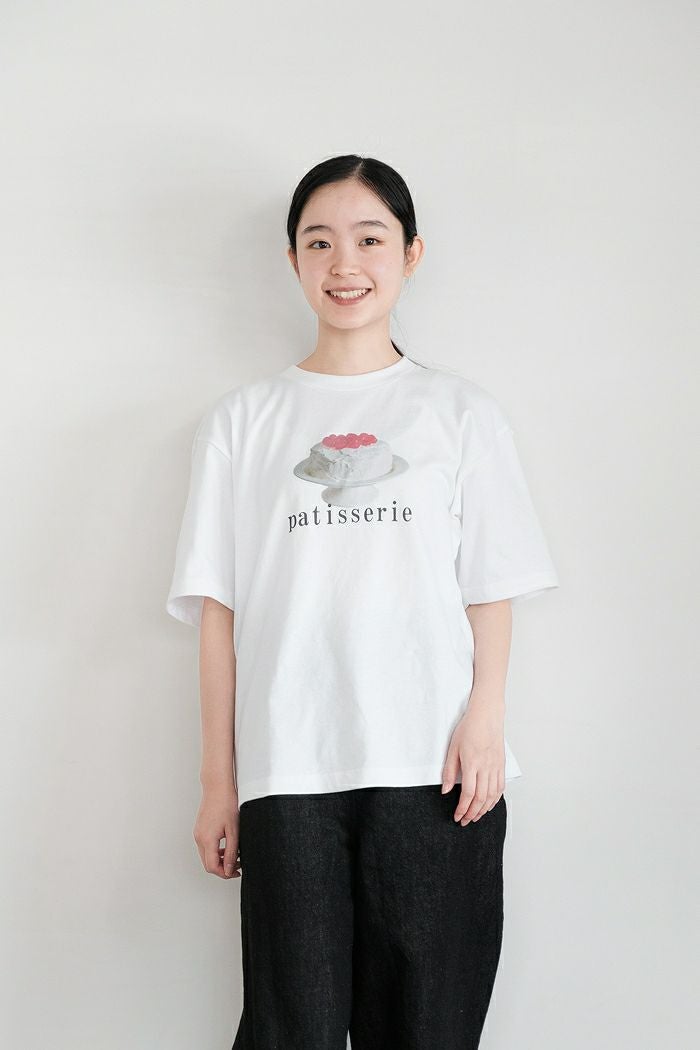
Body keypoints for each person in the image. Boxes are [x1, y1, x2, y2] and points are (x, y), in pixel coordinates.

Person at [166, 154, 559, 1050]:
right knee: (291, 1029)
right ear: (293, 261)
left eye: (370, 239)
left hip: (435, 768)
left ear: (411, 253)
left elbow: (489, 586)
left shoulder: (460, 412)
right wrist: (220, 783)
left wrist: (486, 721)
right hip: (289, 772)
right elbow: (220, 616)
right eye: (320, 242)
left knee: (428, 1027)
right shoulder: (241, 422)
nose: (345, 263)